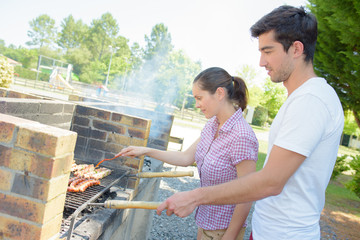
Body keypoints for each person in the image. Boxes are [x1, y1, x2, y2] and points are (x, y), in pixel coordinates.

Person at [156, 5, 345, 240]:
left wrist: (195, 196)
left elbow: (271, 182)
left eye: (268, 51)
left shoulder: (311, 101)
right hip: (270, 230)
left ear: (296, 49)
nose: (261, 62)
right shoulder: (300, 98)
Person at [118, 67, 259, 240]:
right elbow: (185, 157)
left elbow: (247, 194)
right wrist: (146, 151)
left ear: (220, 93)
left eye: (199, 98)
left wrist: (229, 236)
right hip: (205, 222)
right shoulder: (212, 125)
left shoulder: (242, 136)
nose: (197, 104)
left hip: (224, 230)